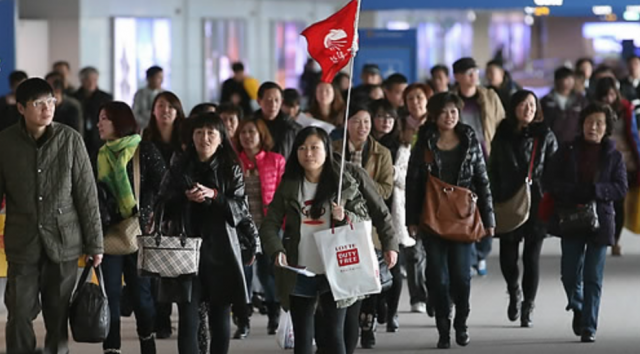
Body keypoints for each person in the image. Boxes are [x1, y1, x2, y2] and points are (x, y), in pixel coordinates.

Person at [260, 126, 399, 354]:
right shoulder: (290, 184)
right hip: (299, 269)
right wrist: (276, 250)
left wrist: (347, 217)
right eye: (302, 148)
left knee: (334, 335)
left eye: (315, 148)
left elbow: (375, 213)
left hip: (338, 268)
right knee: (303, 340)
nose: (308, 154)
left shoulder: (346, 179)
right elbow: (270, 223)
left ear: (327, 150)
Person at [0, 78, 103, 354]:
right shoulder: (5, 143)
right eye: (38, 103)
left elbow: (87, 196)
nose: (47, 109)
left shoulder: (70, 140)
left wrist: (95, 245)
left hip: (64, 242)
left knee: (57, 318)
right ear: (21, 108)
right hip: (22, 243)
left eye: (51, 102)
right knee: (19, 313)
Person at [157, 112, 258, 354]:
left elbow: (242, 208)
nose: (205, 138)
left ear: (221, 138)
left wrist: (215, 196)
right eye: (199, 132)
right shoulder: (179, 165)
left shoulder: (230, 168)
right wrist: (184, 198)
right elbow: (162, 204)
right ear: (191, 137)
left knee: (220, 317)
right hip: (186, 249)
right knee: (188, 319)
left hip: (221, 251)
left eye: (211, 133)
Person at [406, 92, 495, 349]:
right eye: (444, 112)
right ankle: (443, 328)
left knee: (461, 277)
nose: (450, 116)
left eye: (454, 111)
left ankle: (462, 322)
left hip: (463, 219)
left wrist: (489, 219)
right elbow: (412, 184)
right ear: (434, 115)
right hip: (431, 219)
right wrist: (411, 220)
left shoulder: (469, 141)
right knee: (437, 277)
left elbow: (482, 180)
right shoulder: (424, 142)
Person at [543, 103, 628, 343]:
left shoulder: (613, 155)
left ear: (607, 128)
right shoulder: (567, 150)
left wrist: (595, 190)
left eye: (599, 123)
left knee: (593, 276)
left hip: (601, 221)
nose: (594, 127)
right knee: (569, 274)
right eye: (590, 122)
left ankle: (589, 326)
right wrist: (573, 192)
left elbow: (621, 187)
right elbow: (549, 179)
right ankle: (578, 306)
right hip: (571, 217)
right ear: (582, 124)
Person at [96, 101, 166, 354]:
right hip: (110, 233)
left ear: (119, 121)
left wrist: (145, 212)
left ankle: (147, 337)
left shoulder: (143, 149)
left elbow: (163, 185)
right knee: (110, 295)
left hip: (140, 233)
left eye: (104, 118)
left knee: (141, 297)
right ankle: (111, 347)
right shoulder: (100, 153)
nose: (98, 124)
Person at [488, 90, 558, 328]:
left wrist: (551, 196)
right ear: (513, 107)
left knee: (531, 256)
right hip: (508, 201)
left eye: (532, 104)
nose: (527, 109)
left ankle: (528, 304)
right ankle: (513, 290)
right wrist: (494, 198)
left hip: (537, 201)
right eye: (522, 104)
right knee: (508, 256)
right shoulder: (502, 134)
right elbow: (493, 169)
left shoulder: (545, 135)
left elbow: (554, 168)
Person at [232, 118, 286, 339]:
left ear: (261, 134)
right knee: (242, 275)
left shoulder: (276, 160)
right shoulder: (234, 162)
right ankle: (242, 321)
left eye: (252, 131)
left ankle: (274, 316)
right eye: (243, 132)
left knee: (269, 273)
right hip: (242, 228)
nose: (247, 136)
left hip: (269, 226)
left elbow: (284, 194)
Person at [453, 57, 503, 276]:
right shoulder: (451, 100)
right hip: (459, 162)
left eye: (475, 70)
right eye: (467, 72)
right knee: (464, 210)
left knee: (486, 207)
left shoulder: (489, 97)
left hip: (487, 159)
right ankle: (471, 255)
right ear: (457, 76)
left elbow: (501, 124)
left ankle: (481, 253)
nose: (473, 75)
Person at [593, 77, 640, 256]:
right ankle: (604, 235)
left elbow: (633, 137)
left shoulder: (626, 109)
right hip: (601, 162)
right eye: (605, 95)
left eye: (611, 94)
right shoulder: (595, 112)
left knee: (619, 204)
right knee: (603, 202)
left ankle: (614, 240)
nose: (609, 99)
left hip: (625, 162)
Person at [73, 66, 113, 164]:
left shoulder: (105, 98)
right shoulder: (74, 98)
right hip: (80, 135)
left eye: (94, 79)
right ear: (82, 80)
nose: (91, 83)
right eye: (87, 79)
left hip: (99, 137)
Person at [254, 82, 302, 160]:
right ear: (259, 101)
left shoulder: (293, 128)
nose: (273, 104)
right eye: (268, 100)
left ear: (282, 102)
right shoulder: (250, 124)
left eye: (277, 100)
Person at [541, 67, 589, 145]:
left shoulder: (581, 100)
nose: (570, 81)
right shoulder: (546, 101)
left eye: (571, 78)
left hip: (574, 143)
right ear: (557, 80)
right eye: (566, 78)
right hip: (551, 143)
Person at [143, 91, 186, 164]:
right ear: (153, 111)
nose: (165, 110)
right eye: (161, 105)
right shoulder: (144, 136)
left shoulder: (185, 137)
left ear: (177, 112)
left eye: (171, 107)